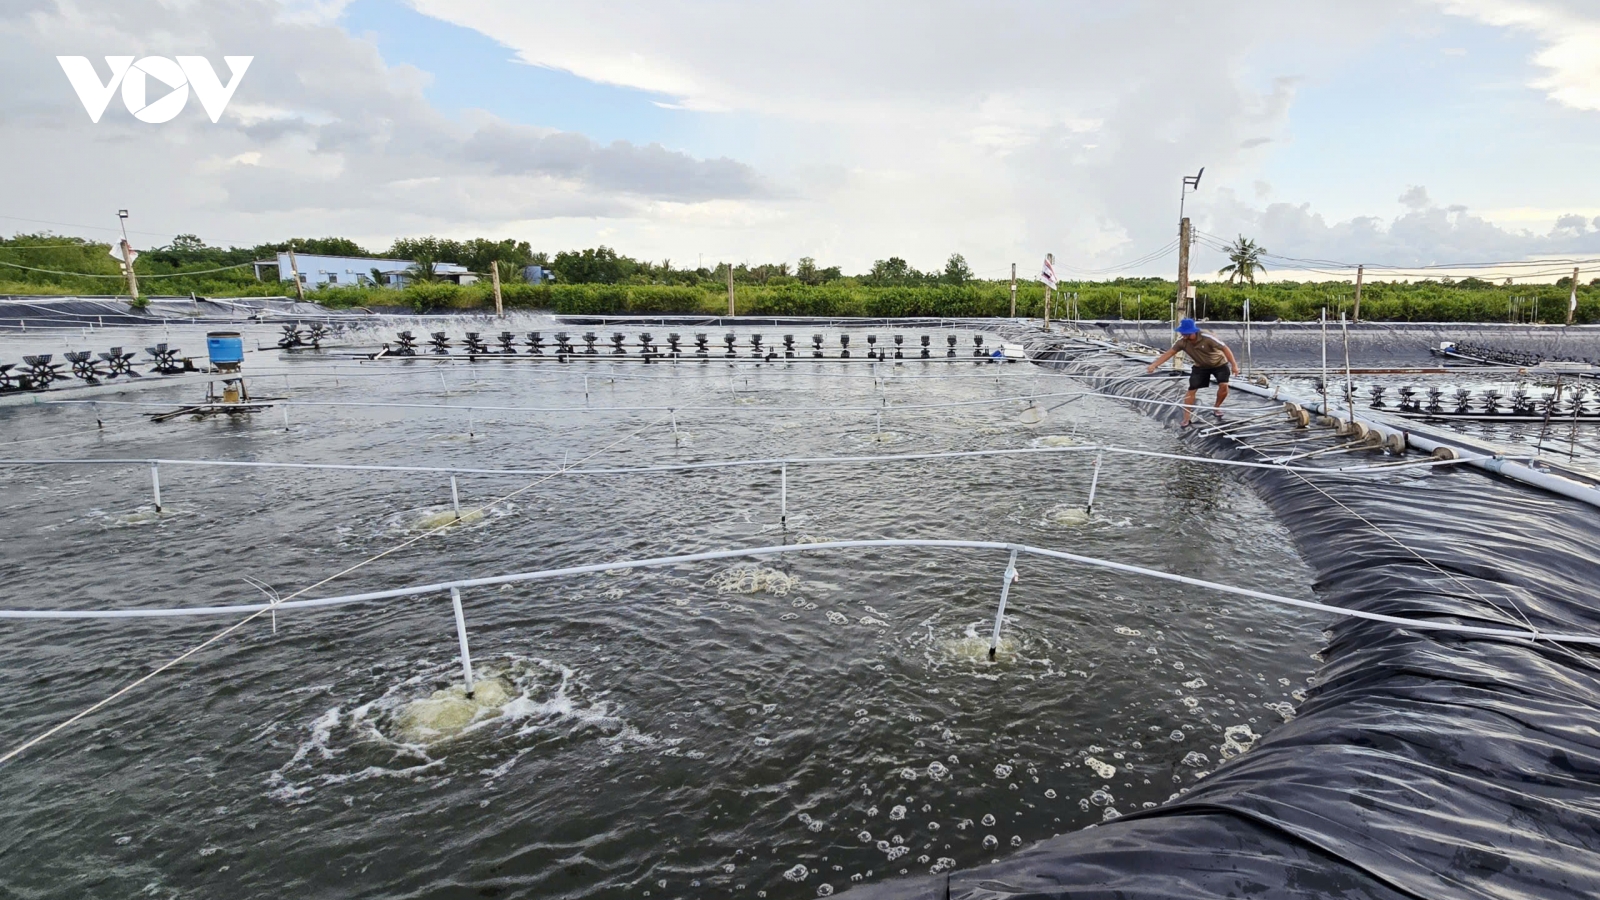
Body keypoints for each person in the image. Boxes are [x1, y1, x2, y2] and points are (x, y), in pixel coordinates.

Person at [1145, 318, 1239, 427]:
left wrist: (1234, 365)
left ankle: (1216, 407)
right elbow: (1169, 353)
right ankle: (1186, 418)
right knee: (1191, 390)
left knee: (1223, 386)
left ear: (1193, 332)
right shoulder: (1182, 342)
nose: (1184, 336)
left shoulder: (1207, 338)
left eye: (1186, 334)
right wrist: (1154, 365)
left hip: (1219, 364)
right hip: (1200, 366)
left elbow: (1225, 348)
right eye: (1182, 333)